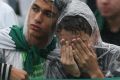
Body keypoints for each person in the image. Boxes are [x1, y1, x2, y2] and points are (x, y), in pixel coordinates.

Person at [0, 0, 69, 80]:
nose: (37, 19)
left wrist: (74, 73)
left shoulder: (61, 55)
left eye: (48, 14)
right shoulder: (4, 41)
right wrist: (5, 71)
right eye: (35, 9)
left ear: (58, 22)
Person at [56, 0, 120, 78]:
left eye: (81, 43)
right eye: (67, 45)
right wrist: (74, 74)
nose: (76, 51)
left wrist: (94, 71)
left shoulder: (115, 57)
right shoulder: (56, 63)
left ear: (96, 36)